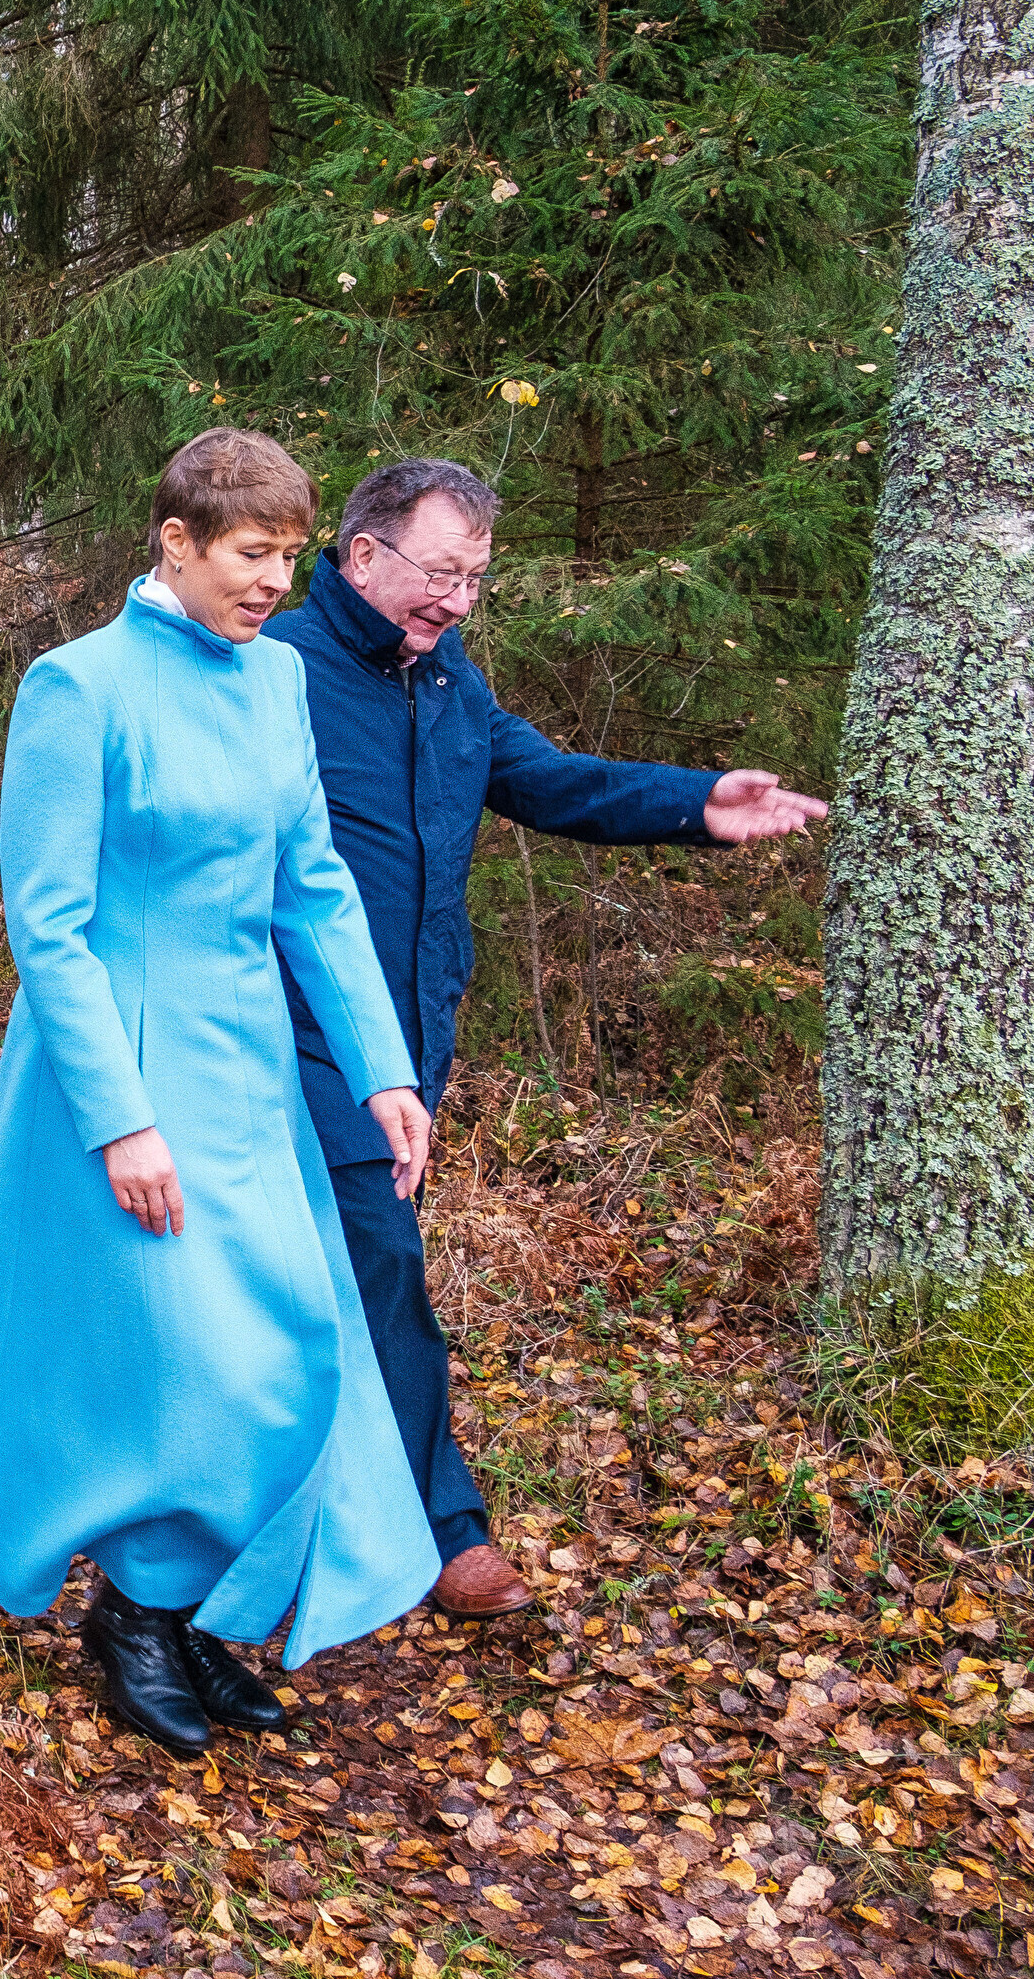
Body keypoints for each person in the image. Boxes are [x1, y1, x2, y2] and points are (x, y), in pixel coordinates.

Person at [0, 430, 439, 1758]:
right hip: (118, 1074)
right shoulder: (77, 687)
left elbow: (313, 885)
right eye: (252, 553)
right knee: (186, 1363)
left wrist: (381, 1068)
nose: (274, 581)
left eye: (290, 556)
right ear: (176, 541)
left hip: (252, 1076)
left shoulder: (278, 679)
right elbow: (48, 929)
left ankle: (189, 1605)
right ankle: (141, 1614)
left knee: (289, 1347)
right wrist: (123, 1120)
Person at [261, 459, 826, 1621]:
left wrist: (699, 802)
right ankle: (440, 1526)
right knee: (379, 1261)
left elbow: (554, 780)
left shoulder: (446, 680)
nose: (457, 598)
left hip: (414, 1033)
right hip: (292, 1028)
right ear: (362, 555)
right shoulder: (275, 669)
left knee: (334, 1275)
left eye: (475, 577)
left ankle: (308, 1506)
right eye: (440, 572)